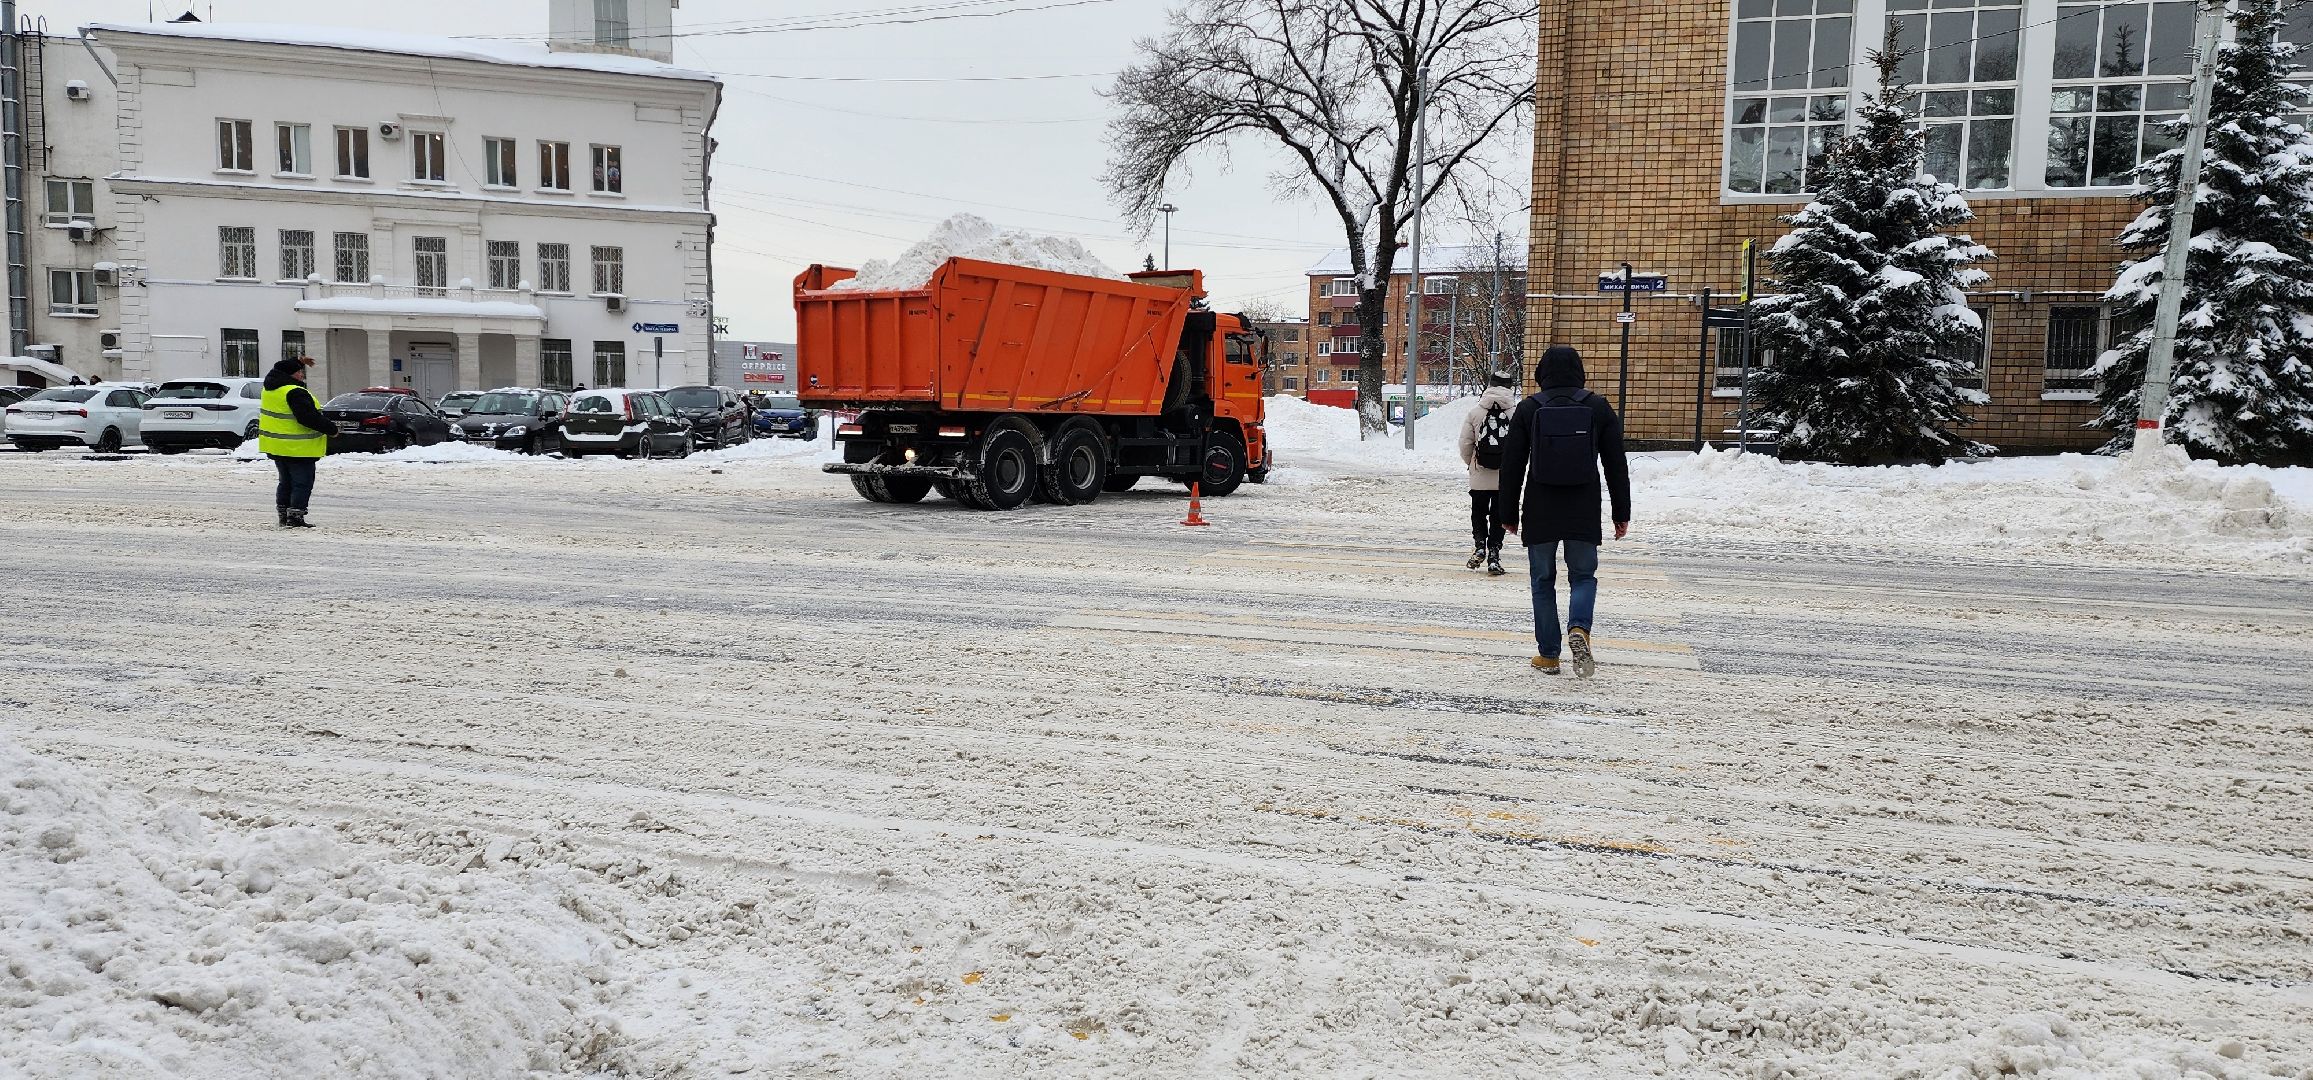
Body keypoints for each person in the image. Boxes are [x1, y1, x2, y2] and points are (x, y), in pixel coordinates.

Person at [1493, 345, 1631, 678]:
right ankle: (1579, 628)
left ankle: (1549, 655)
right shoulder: (1597, 407)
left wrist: (1507, 513)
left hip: (1540, 508)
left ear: (1542, 373)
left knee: (1542, 582)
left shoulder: (1528, 409)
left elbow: (1511, 466)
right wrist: (1620, 512)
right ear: (1579, 372)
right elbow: (1616, 464)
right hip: (1582, 508)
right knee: (1583, 576)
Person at [1456, 371, 1523, 576]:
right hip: (1505, 476)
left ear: (1490, 385)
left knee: (1478, 512)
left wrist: (1473, 464)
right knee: (1498, 516)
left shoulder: (1475, 412)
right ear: (1509, 388)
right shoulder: (1517, 414)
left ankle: (1479, 546)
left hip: (1480, 474)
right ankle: (1494, 554)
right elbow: (1523, 446)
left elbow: (1465, 443)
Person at [258, 357, 330, 528]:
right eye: (298, 372)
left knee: (286, 482)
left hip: (277, 446)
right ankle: (295, 517)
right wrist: (331, 429)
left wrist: (299, 360)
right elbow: (307, 417)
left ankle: (284, 515)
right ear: (289, 375)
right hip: (297, 448)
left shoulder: (271, 389)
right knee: (302, 483)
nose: (301, 375)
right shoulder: (294, 392)